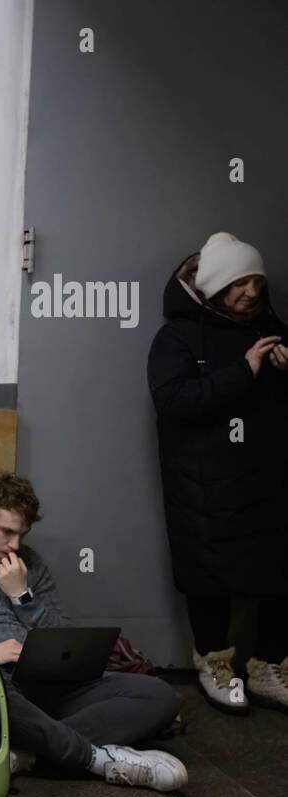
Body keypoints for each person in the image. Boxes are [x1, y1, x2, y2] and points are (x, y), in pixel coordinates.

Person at [0, 474, 187, 792]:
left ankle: (30, 753)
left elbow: (62, 636)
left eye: (22, 534)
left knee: (159, 696)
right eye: (6, 532)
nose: (15, 545)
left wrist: (22, 597)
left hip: (45, 682)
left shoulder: (29, 564)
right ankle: (97, 759)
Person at [148, 232, 288, 715]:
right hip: (204, 485)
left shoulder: (272, 328)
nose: (251, 292)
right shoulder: (177, 337)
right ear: (213, 287)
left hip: (268, 478)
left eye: (257, 282)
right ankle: (215, 662)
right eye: (239, 283)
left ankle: (270, 666)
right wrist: (243, 372)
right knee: (209, 574)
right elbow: (173, 400)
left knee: (278, 570)